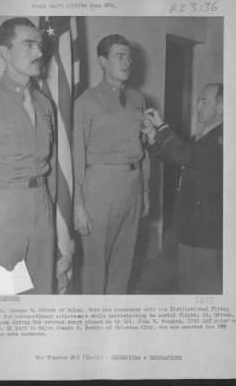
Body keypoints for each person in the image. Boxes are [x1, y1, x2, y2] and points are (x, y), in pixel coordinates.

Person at [73, 34, 150, 294]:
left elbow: (144, 147)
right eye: (119, 56)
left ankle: (114, 323)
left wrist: (146, 190)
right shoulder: (86, 102)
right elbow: (78, 156)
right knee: (95, 265)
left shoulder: (138, 99)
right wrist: (79, 204)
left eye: (129, 57)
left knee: (123, 263)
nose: (127, 62)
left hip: (133, 185)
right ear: (103, 61)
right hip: (100, 188)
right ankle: (93, 325)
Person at [0, 18, 56, 294]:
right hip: (4, 207)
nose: (40, 53)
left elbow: (50, 165)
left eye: (40, 46)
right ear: (4, 52)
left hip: (41, 204)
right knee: (6, 294)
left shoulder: (44, 104)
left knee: (41, 290)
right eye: (28, 45)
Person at [142, 83, 223, 294]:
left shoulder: (219, 138)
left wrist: (162, 128)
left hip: (205, 227)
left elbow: (186, 156)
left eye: (205, 101)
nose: (198, 107)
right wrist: (153, 139)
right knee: (190, 282)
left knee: (203, 286)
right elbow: (179, 160)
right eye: (198, 101)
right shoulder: (206, 134)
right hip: (192, 222)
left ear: (221, 107)